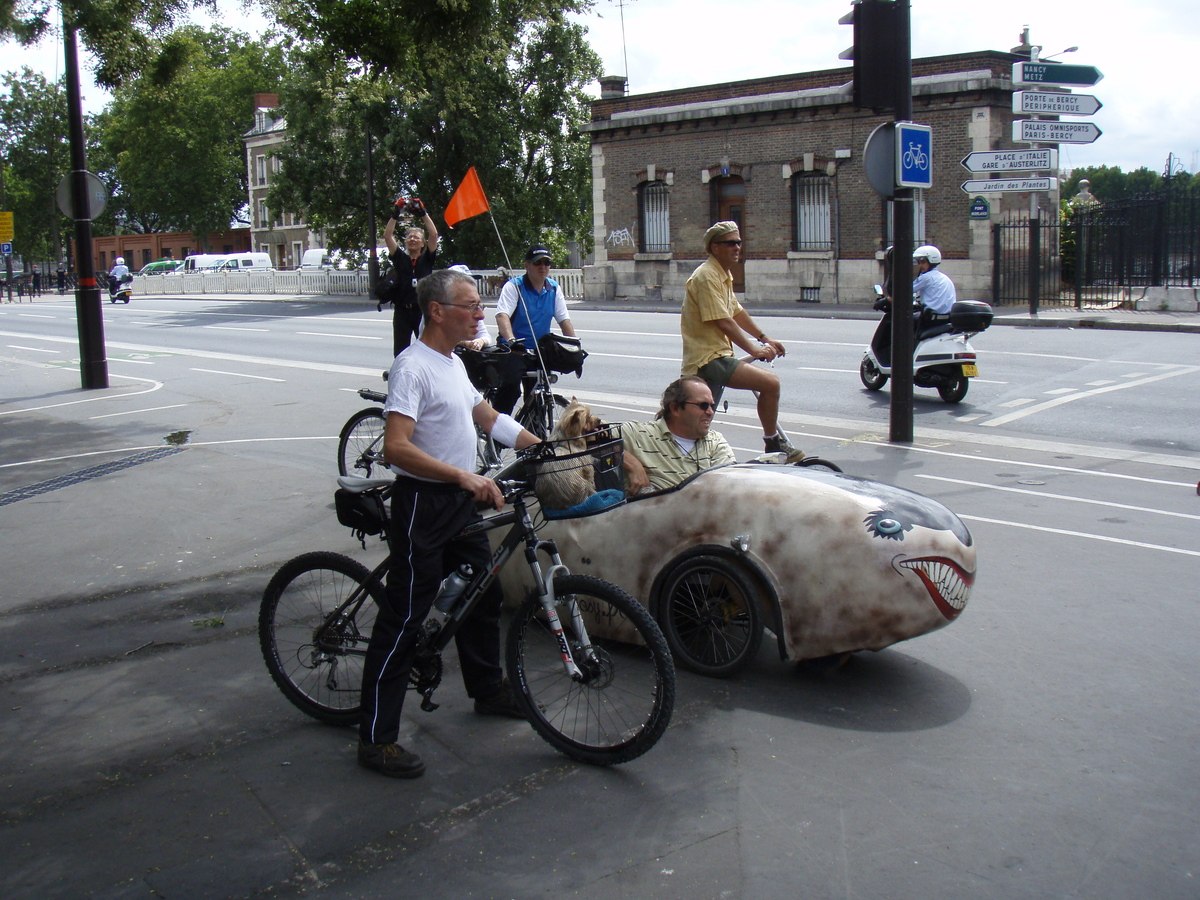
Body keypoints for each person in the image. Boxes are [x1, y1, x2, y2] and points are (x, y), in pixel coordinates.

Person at [358, 268, 541, 779]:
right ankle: (376, 738)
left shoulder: (453, 363)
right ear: (437, 311)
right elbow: (397, 448)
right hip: (425, 504)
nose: (480, 312)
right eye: (470, 304)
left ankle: (487, 689)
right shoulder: (412, 367)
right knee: (404, 618)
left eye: (481, 305)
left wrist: (543, 447)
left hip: (460, 501)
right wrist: (463, 476)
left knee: (481, 595)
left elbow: (488, 418)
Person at [681, 221, 799, 460]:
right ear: (715, 247)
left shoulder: (722, 274)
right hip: (707, 358)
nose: (737, 247)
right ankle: (773, 445)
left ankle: (686, 454)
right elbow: (723, 321)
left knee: (698, 421)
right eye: (731, 243)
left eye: (739, 242)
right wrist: (756, 350)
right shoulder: (706, 277)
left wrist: (765, 338)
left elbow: (736, 311)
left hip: (718, 354)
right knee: (770, 383)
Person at [492, 245, 577, 415]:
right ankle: (497, 430)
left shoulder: (553, 288)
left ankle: (533, 432)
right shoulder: (514, 286)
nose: (543, 267)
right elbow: (502, 316)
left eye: (547, 263)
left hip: (539, 351)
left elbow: (564, 320)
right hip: (515, 350)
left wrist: (575, 346)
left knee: (539, 396)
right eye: (538, 263)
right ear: (527, 265)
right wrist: (511, 341)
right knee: (510, 388)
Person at [622, 376, 736, 495]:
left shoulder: (715, 443)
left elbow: (728, 488)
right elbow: (600, 434)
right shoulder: (638, 434)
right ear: (675, 408)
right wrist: (632, 464)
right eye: (703, 405)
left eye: (712, 406)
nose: (710, 412)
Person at [383, 196, 439, 357]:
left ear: (423, 243)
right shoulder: (400, 257)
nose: (412, 239)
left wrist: (423, 213)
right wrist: (396, 214)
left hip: (422, 310)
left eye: (416, 237)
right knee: (400, 353)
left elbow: (434, 234)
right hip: (402, 311)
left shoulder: (427, 259)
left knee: (427, 349)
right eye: (410, 237)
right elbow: (388, 236)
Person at [911, 245, 956, 315]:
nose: (920, 266)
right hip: (944, 317)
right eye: (919, 263)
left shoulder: (926, 277)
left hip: (929, 317)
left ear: (931, 261)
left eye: (923, 262)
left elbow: (905, 292)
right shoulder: (944, 277)